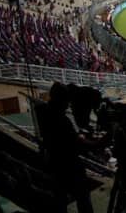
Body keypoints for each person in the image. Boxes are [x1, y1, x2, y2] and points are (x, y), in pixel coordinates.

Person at [39, 82, 94, 213]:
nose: (67, 104)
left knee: (60, 199)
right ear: (61, 100)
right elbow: (76, 145)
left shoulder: (43, 112)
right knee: (83, 198)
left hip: (54, 164)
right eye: (66, 100)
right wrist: (95, 142)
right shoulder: (63, 121)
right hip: (70, 167)